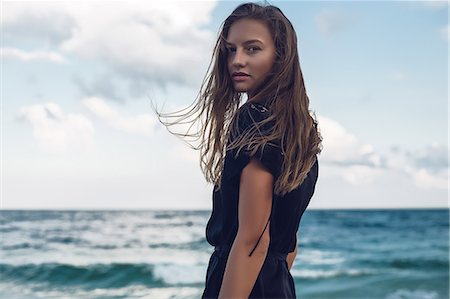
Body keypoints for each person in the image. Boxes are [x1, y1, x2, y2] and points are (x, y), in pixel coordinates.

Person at [153, 2, 322, 298]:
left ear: (280, 56)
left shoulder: (254, 120)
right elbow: (289, 241)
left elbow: (252, 240)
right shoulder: (300, 129)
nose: (237, 60)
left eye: (252, 49)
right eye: (230, 49)